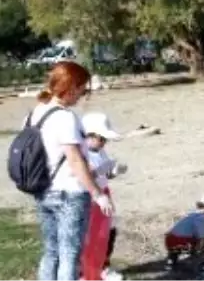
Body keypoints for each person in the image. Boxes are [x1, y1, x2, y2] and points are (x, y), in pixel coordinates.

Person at [24, 61, 114, 281]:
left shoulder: (36, 113)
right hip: (69, 194)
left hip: (44, 191)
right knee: (70, 255)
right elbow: (75, 160)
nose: (83, 95)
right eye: (83, 89)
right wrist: (98, 194)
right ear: (72, 86)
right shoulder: (65, 117)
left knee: (51, 252)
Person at [82, 112, 127, 281]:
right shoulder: (82, 152)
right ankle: (86, 271)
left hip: (103, 193)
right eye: (101, 138)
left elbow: (105, 174)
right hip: (91, 196)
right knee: (91, 235)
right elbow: (86, 174)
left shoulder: (99, 151)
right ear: (89, 135)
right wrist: (102, 170)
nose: (104, 143)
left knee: (108, 230)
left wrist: (114, 171)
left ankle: (103, 266)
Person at [164, 195, 204, 272]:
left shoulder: (192, 213)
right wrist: (198, 248)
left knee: (189, 240)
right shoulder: (201, 218)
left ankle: (171, 262)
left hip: (169, 240)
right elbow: (201, 237)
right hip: (181, 241)